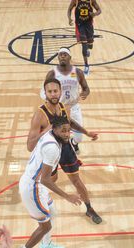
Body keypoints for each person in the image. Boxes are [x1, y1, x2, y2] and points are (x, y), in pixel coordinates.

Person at [28, 78, 103, 225]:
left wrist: (86, 132)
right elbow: (30, 146)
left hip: (65, 148)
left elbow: (70, 122)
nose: (53, 94)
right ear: (45, 93)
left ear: (60, 92)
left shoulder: (65, 108)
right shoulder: (39, 115)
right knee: (49, 181)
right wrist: (48, 130)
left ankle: (89, 208)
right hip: (49, 152)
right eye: (50, 91)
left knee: (77, 181)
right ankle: (40, 204)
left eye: (56, 91)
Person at [16, 115, 84, 248]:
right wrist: (68, 197)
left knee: (52, 212)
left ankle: (46, 245)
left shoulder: (50, 134)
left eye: (68, 131)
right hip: (33, 187)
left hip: (37, 184)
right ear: (55, 130)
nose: (67, 134)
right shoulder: (52, 148)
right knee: (45, 226)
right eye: (63, 131)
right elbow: (46, 179)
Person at [43, 48, 91, 153]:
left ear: (70, 57)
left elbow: (86, 88)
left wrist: (85, 93)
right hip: (59, 109)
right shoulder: (52, 73)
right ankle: (60, 152)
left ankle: (74, 143)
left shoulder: (77, 72)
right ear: (58, 57)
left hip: (74, 107)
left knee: (79, 137)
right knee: (57, 135)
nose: (63, 56)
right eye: (60, 55)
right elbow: (45, 91)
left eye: (65, 54)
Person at [67, 0, 101, 74]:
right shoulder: (75, 1)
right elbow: (69, 9)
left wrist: (94, 14)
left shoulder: (91, 1)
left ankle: (88, 48)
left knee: (90, 45)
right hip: (80, 26)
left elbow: (99, 10)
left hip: (89, 25)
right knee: (84, 45)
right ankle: (86, 65)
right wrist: (69, 19)